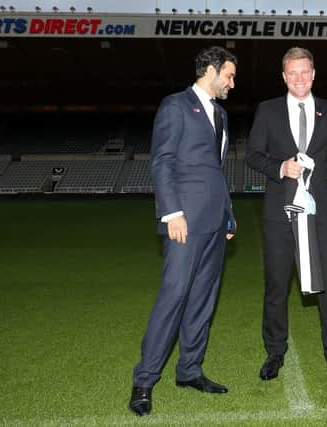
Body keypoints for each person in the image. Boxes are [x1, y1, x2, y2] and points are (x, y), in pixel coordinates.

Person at [246, 47, 327, 389]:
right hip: (279, 213)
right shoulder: (267, 110)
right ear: (284, 76)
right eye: (292, 73)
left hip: (319, 215)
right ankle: (274, 352)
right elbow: (252, 155)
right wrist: (280, 168)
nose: (299, 78)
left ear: (314, 74)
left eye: (304, 72)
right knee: (276, 286)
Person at [129, 46, 237, 416]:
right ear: (211, 70)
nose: (232, 83)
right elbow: (161, 161)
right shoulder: (175, 106)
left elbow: (217, 172)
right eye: (230, 75)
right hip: (184, 223)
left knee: (203, 301)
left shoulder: (221, 114)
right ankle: (144, 380)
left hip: (214, 223)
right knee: (173, 298)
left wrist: (229, 216)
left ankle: (189, 370)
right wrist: (171, 212)